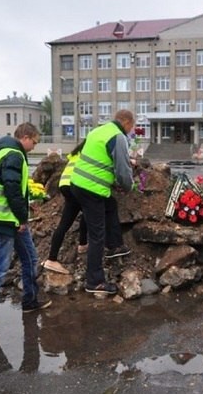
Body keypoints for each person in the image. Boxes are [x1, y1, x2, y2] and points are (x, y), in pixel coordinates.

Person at [0, 123, 51, 325]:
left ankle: (30, 301)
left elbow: (17, 187)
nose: (34, 146)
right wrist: (22, 218)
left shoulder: (9, 153)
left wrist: (31, 199)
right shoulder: (13, 155)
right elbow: (11, 190)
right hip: (3, 219)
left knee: (31, 259)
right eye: (34, 141)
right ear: (25, 137)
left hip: (8, 217)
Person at [70, 109, 134, 295]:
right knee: (97, 234)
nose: (132, 130)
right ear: (127, 123)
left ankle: (115, 245)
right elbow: (123, 170)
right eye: (132, 126)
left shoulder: (99, 131)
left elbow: (100, 159)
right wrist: (128, 186)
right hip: (92, 189)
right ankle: (94, 281)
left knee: (110, 205)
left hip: (78, 184)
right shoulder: (118, 137)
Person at [42, 142, 88, 275]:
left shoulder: (75, 154)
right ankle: (83, 244)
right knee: (88, 209)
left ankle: (52, 258)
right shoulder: (90, 152)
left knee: (65, 223)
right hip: (76, 184)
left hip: (64, 185)